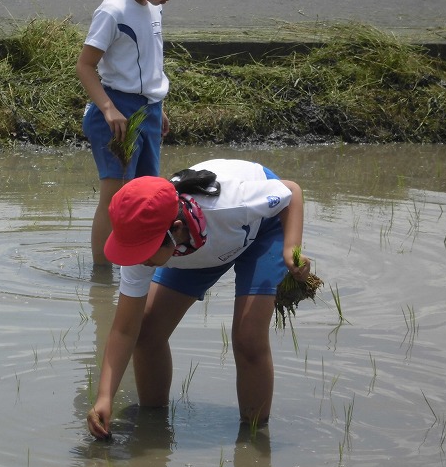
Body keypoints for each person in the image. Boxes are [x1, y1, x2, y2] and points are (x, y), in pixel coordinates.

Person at [86, 159, 311, 439]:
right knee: (147, 333)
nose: (137, 261)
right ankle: (154, 425)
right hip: (204, 247)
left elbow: (291, 192)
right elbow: (124, 329)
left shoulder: (230, 204)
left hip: (262, 227)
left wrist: (292, 248)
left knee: (248, 337)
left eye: (143, 251)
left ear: (176, 229)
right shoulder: (141, 244)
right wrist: (105, 396)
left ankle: (253, 437)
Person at [76, 0, 201, 266]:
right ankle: (102, 277)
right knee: (115, 198)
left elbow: (149, 61)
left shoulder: (152, 4)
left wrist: (156, 107)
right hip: (115, 116)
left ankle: (140, 267)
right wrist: (108, 109)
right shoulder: (113, 10)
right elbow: (85, 66)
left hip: (147, 112)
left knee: (149, 197)